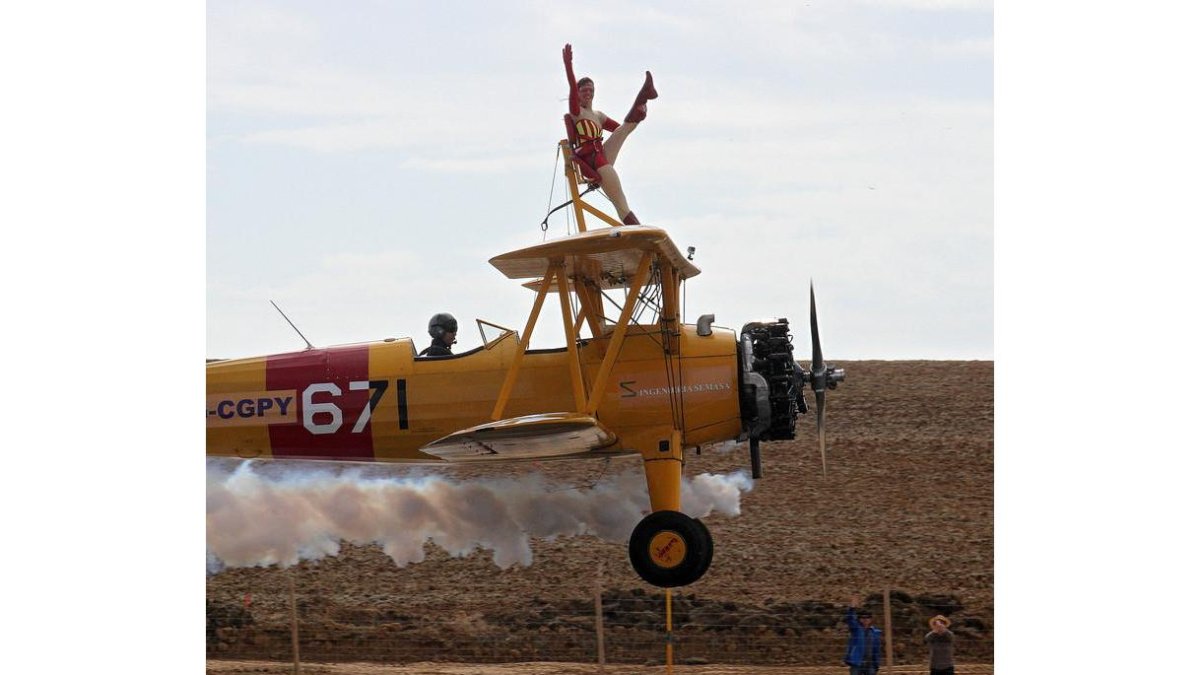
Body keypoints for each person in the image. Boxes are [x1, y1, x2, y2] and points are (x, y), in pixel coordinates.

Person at [562, 43, 656, 225]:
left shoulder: (598, 115)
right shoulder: (576, 113)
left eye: (590, 90)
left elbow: (619, 129)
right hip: (592, 161)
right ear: (579, 94)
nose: (587, 93)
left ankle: (643, 96)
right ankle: (636, 230)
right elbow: (572, 91)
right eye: (584, 91)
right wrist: (568, 66)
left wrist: (633, 122)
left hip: (602, 154)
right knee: (620, 201)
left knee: (625, 129)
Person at [843, 596, 882, 675]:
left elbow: (876, 650)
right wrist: (852, 608)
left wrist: (876, 664)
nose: (865, 619)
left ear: (871, 619)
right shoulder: (856, 629)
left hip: (870, 664)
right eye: (862, 617)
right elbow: (850, 620)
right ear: (859, 619)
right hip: (857, 663)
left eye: (867, 617)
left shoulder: (875, 632)